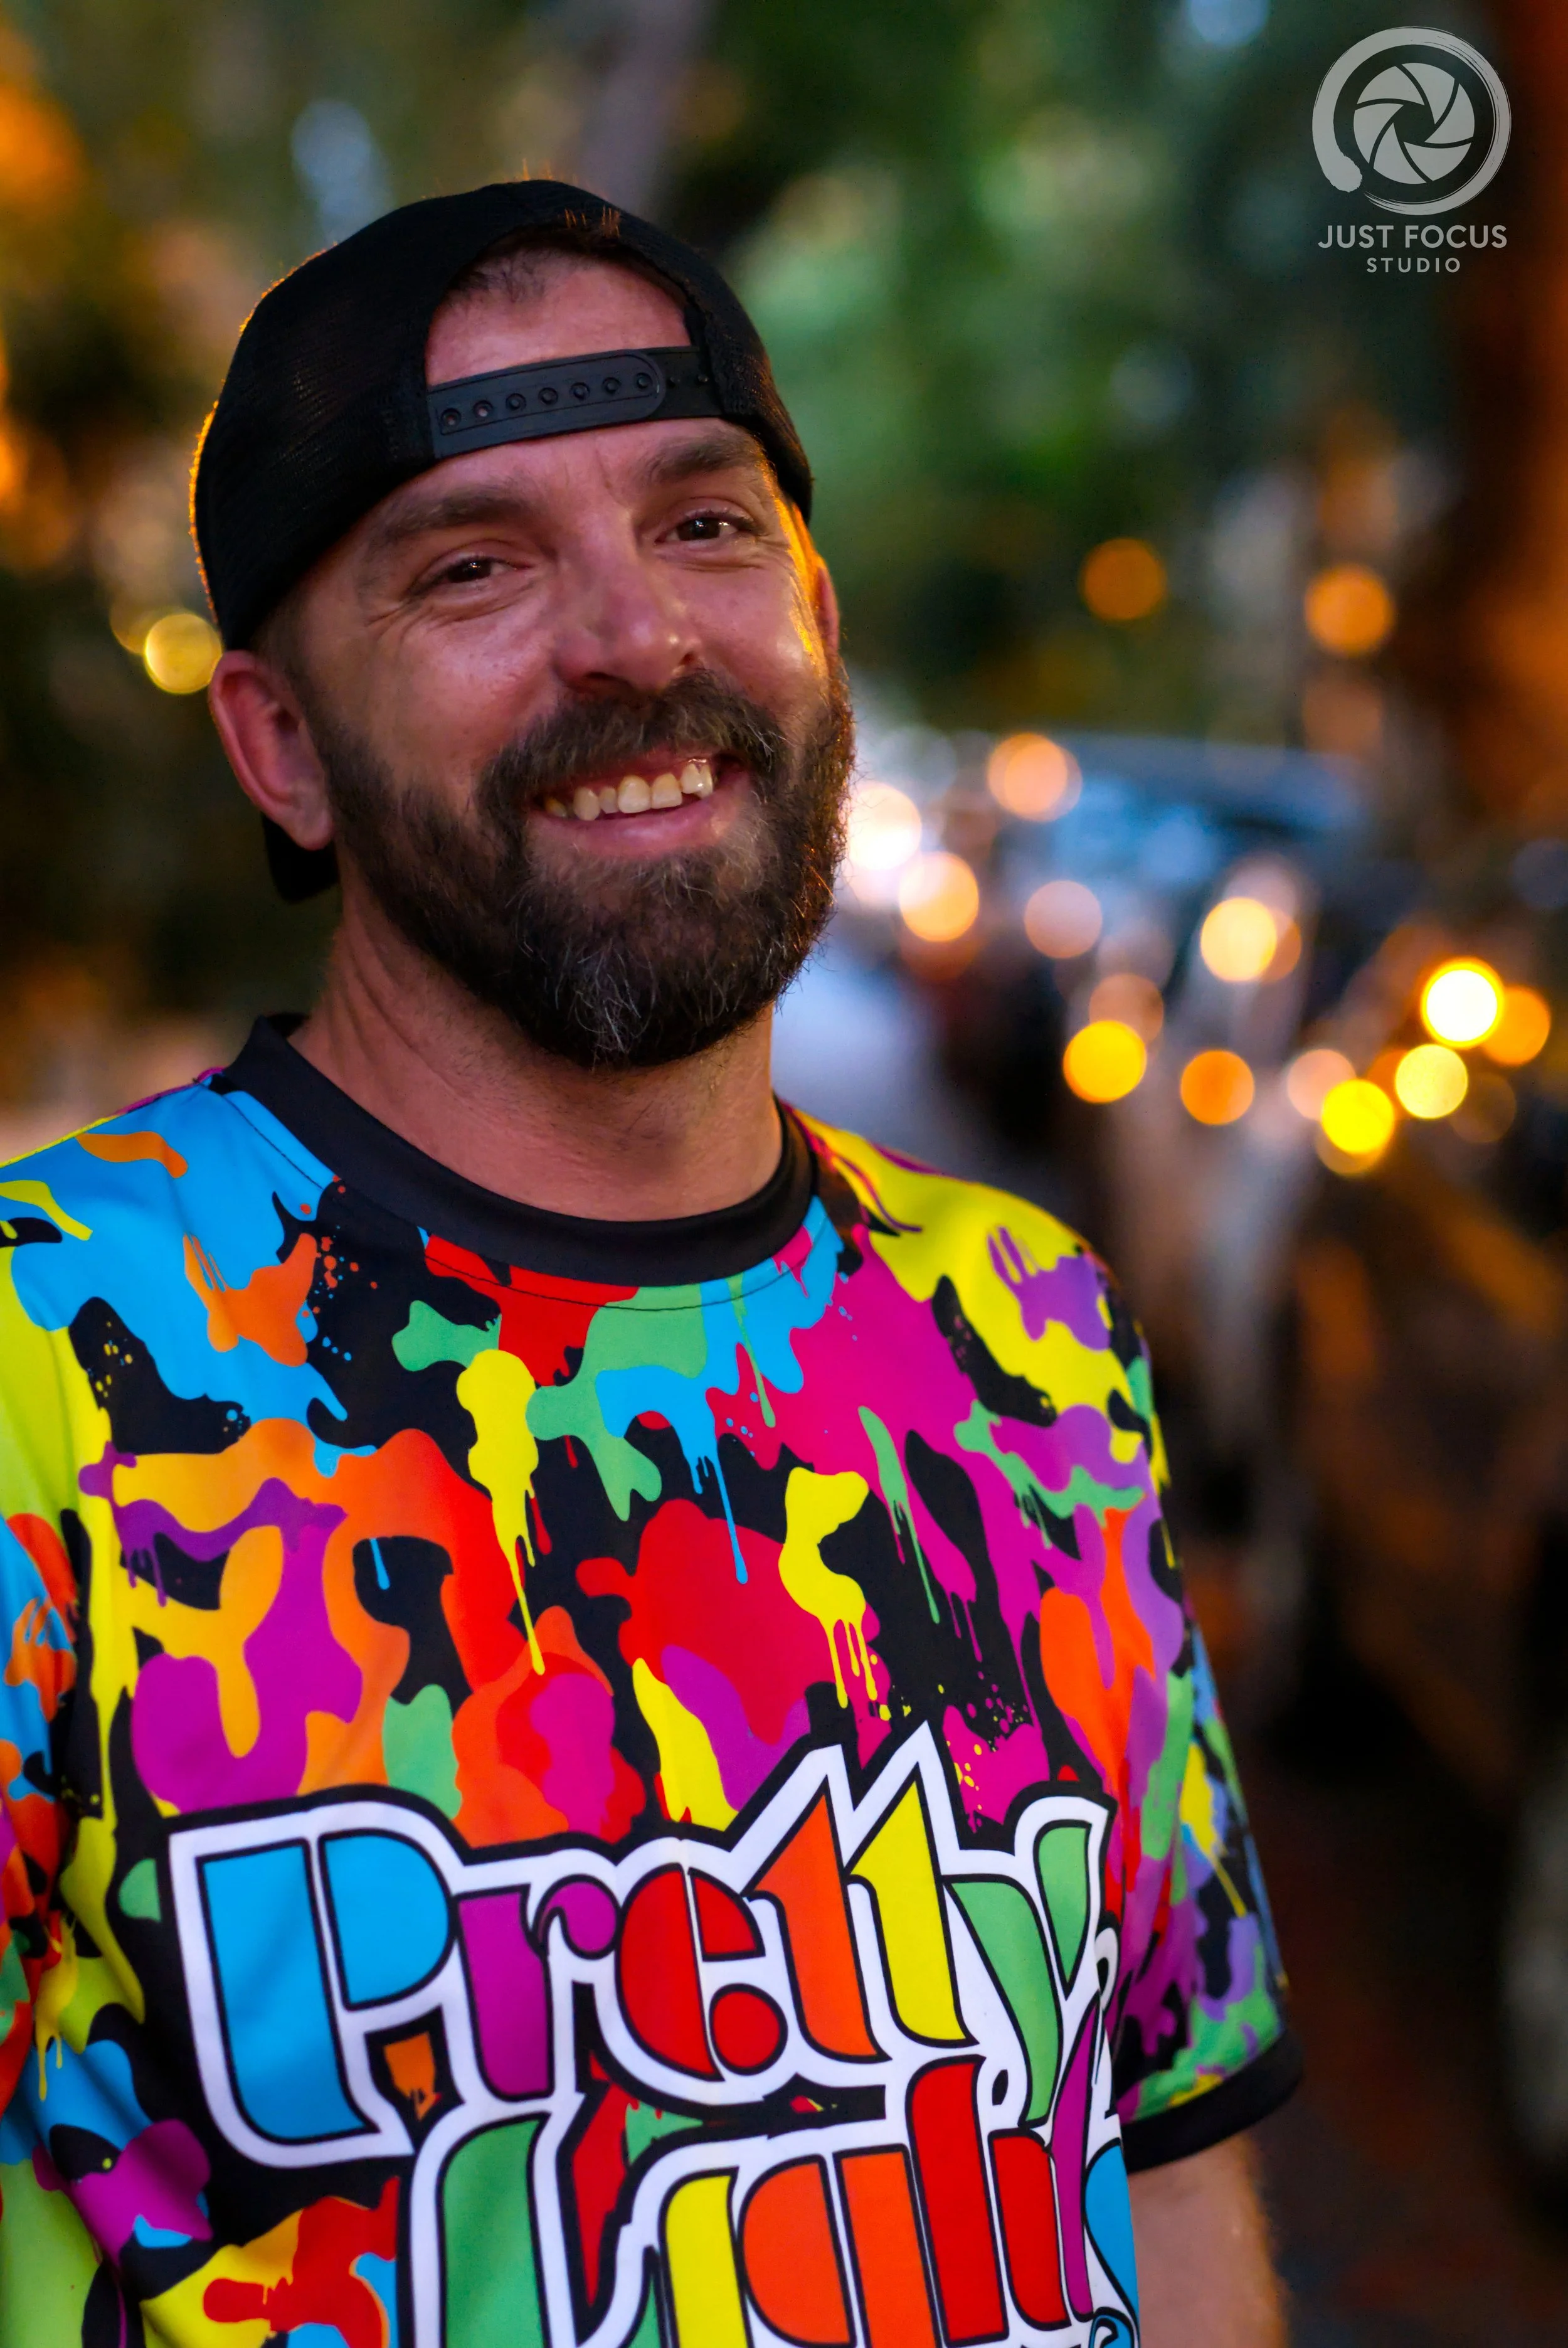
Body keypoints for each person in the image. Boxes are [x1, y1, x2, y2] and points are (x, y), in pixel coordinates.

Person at [0, 182, 1297, 2348]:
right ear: (282, 746)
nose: (633, 636)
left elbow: (1163, 2162)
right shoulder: (51, 1357)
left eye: (703, 527)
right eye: (476, 567)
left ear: (815, 616)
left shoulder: (1033, 1330)